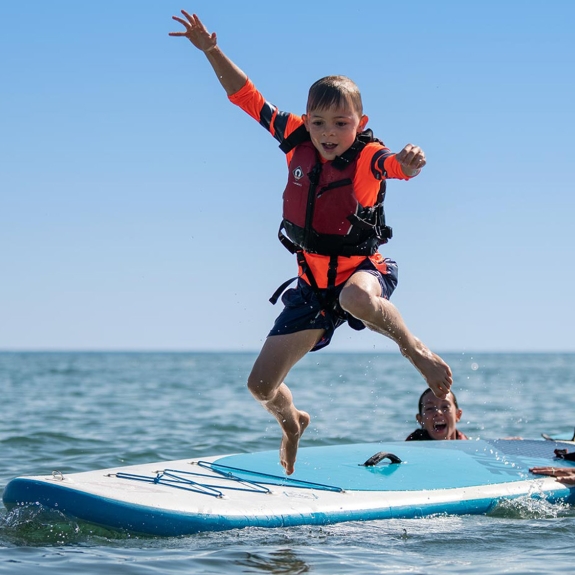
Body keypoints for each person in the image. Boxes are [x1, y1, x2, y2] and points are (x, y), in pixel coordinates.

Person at [170, 10, 453, 475]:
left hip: (364, 273)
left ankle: (415, 351)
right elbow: (245, 96)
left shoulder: (368, 157)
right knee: (260, 386)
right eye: (318, 122)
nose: (327, 133)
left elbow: (395, 167)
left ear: (360, 123)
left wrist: (410, 161)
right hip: (311, 290)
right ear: (307, 120)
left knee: (356, 296)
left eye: (341, 124)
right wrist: (210, 50)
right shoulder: (295, 137)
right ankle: (292, 423)